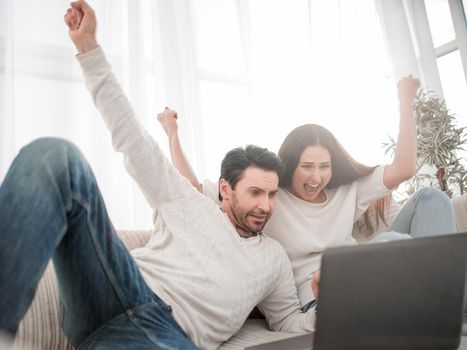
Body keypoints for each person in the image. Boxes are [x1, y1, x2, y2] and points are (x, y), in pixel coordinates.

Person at [0, 1, 316, 349]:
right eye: (256, 192)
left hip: (164, 336)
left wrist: (325, 305)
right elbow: (134, 141)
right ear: (226, 189)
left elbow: (288, 321)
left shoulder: (273, 258)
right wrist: (89, 48)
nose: (266, 205)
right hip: (116, 288)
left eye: (271, 195)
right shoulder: (188, 203)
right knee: (54, 156)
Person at [157, 75, 456, 310]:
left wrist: (405, 101)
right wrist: (172, 135)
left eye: (324, 166)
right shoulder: (270, 196)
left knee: (431, 198)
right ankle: (431, 294)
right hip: (318, 292)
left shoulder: (347, 189)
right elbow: (193, 191)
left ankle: (442, 296)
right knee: (393, 244)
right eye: (307, 166)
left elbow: (404, 168)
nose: (317, 177)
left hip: (369, 270)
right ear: (291, 165)